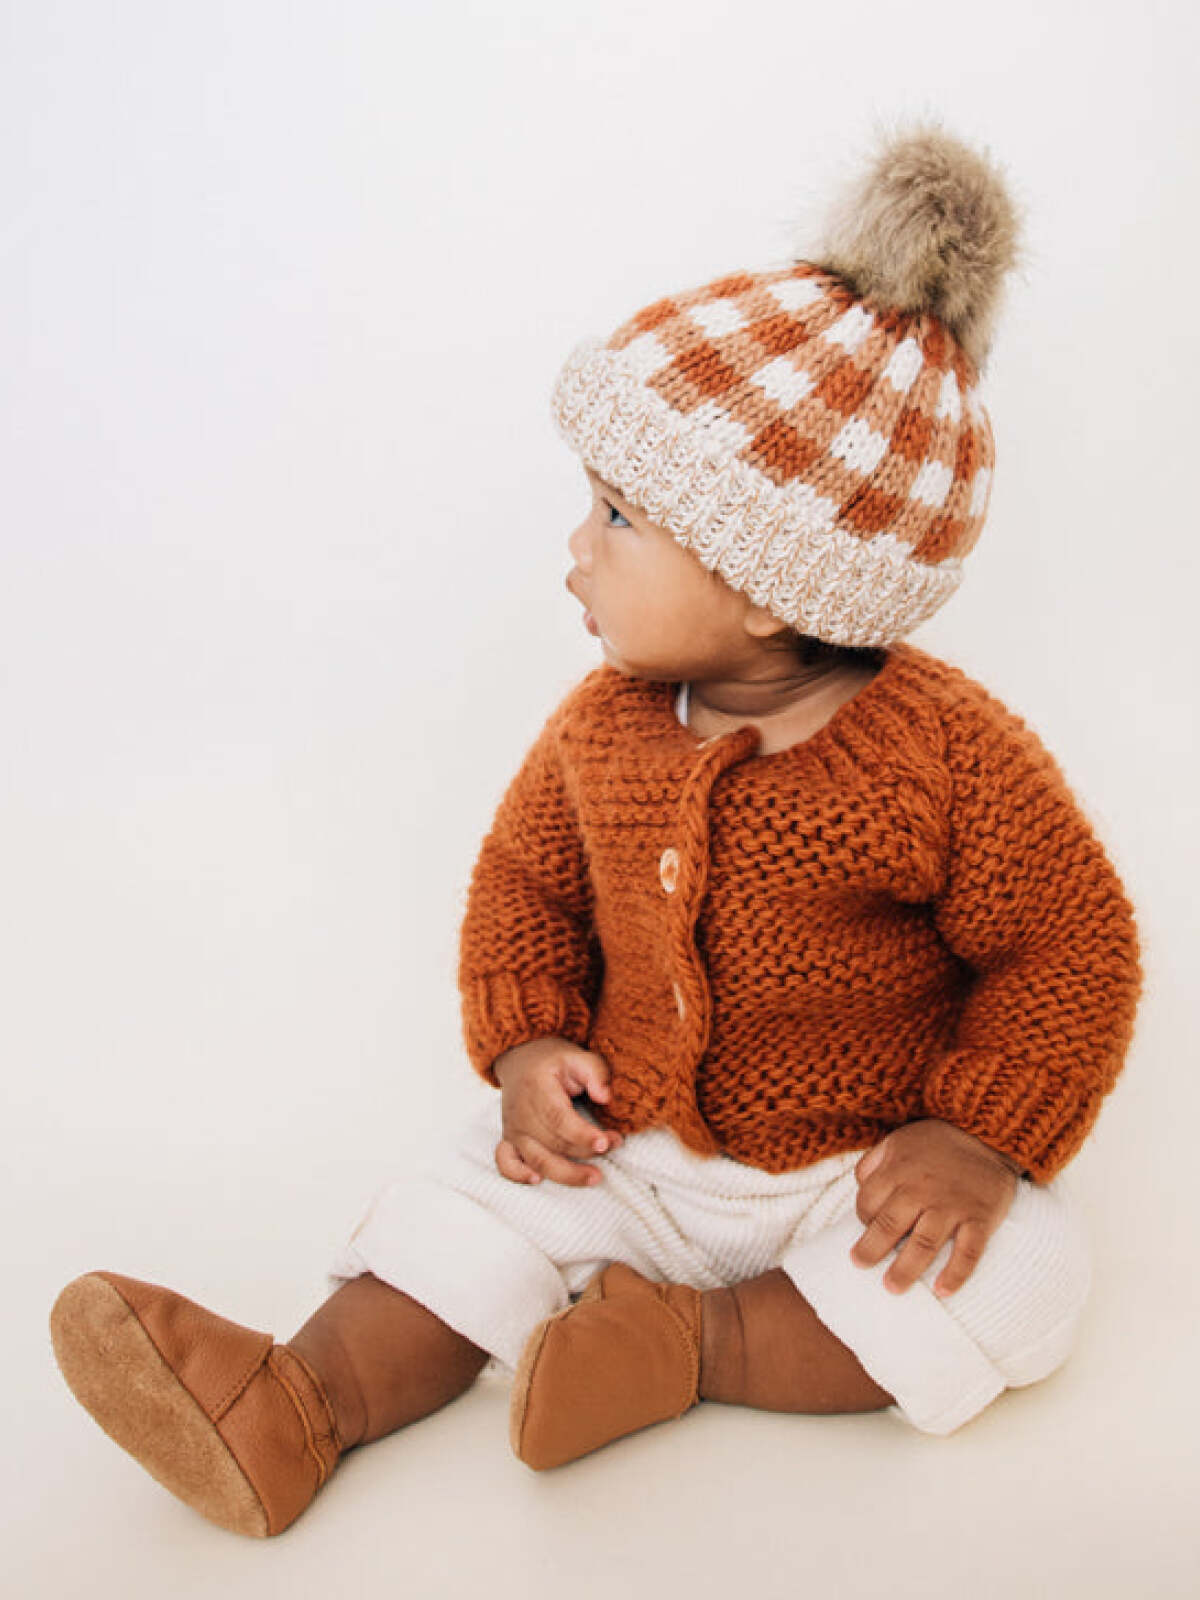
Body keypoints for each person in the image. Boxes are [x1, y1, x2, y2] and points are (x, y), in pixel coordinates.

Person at [49, 122, 1144, 1538]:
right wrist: (521, 1047)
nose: (576, 545)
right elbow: (524, 887)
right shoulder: (602, 726)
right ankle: (297, 1405)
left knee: (1030, 1273)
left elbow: (1074, 945)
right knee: (472, 1198)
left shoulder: (942, 757)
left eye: (619, 516)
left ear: (765, 581)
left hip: (852, 1176)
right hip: (622, 1145)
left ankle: (700, 1347)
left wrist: (979, 1140)